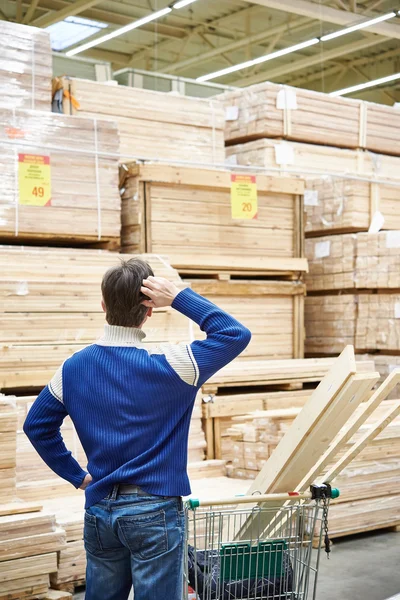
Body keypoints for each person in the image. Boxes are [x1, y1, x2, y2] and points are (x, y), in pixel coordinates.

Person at [23, 258, 251, 600]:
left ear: (103, 306)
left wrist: (77, 475)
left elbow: (36, 425)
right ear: (150, 311)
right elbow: (235, 334)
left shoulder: (73, 368)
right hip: (154, 511)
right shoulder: (176, 365)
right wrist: (179, 297)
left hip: (100, 509)